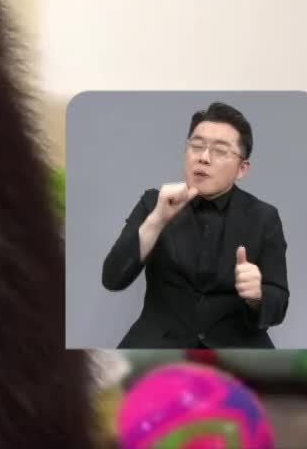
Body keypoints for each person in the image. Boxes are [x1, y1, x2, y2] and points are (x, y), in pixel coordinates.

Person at [101, 101, 290, 348]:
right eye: (197, 146)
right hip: (160, 344)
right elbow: (113, 278)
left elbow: (279, 303)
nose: (203, 158)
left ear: (242, 169)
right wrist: (157, 220)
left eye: (220, 151)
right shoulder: (154, 203)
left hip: (236, 349)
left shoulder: (264, 217)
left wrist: (258, 296)